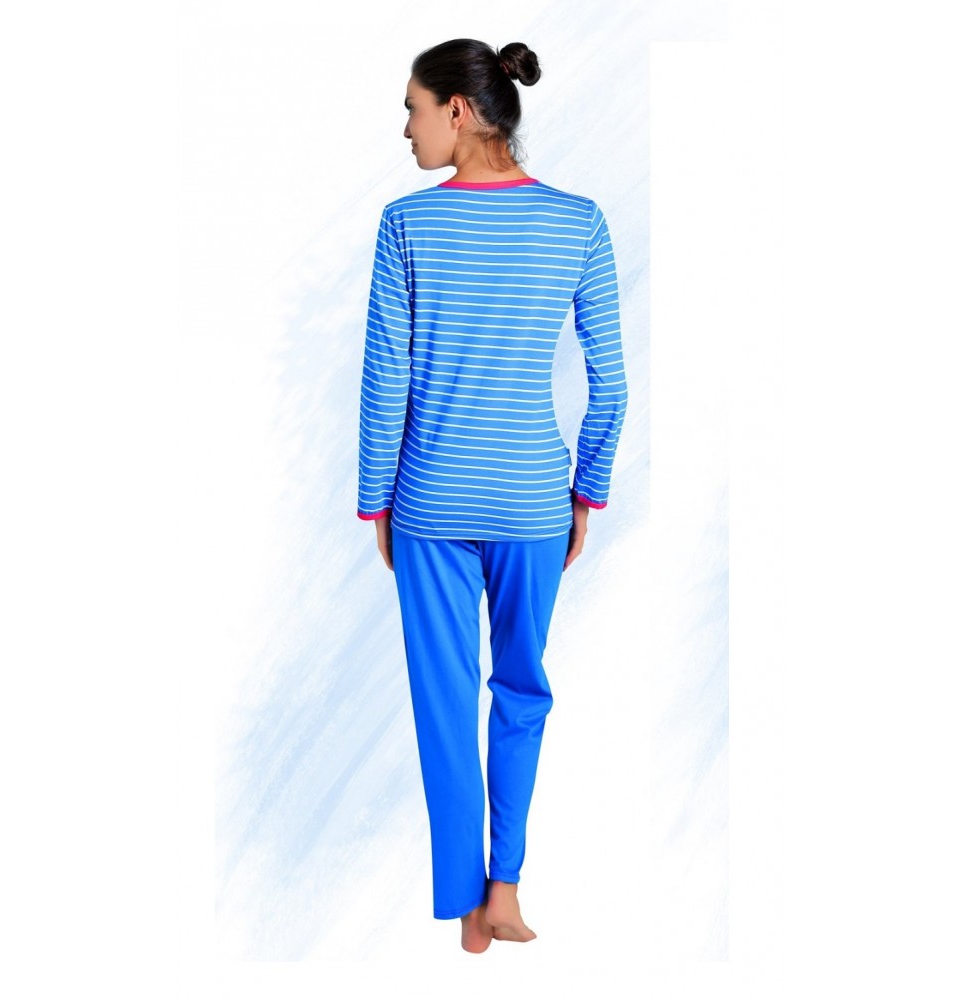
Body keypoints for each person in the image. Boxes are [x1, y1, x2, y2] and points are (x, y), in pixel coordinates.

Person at [357, 38, 628, 953]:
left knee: (444, 708)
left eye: (413, 109)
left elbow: (385, 382)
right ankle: (504, 890)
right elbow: (611, 385)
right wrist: (585, 493)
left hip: (430, 505)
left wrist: (378, 502)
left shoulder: (406, 224)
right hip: (530, 504)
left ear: (458, 110)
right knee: (521, 692)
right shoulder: (579, 222)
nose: (407, 129)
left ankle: (466, 904)